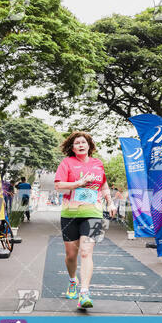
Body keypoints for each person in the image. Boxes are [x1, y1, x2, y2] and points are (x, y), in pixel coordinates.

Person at [54, 131, 116, 309]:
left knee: (86, 252)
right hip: (70, 213)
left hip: (94, 213)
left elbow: (103, 185)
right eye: (77, 143)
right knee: (71, 255)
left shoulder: (98, 164)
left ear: (89, 145)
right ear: (72, 148)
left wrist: (110, 203)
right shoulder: (67, 163)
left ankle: (84, 292)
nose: (80, 145)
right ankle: (73, 280)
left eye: (84, 142)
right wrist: (78, 183)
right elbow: (58, 185)